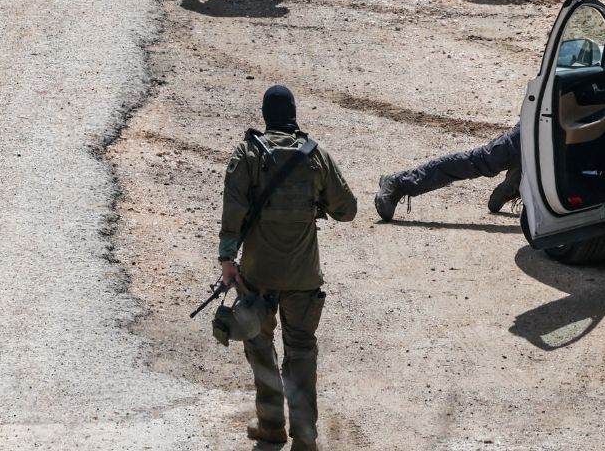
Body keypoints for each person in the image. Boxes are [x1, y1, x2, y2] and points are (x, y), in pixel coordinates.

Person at [218, 86, 357, 451]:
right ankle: (306, 436)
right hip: (303, 275)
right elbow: (348, 209)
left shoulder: (248, 153)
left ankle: (271, 427)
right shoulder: (316, 156)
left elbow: (233, 210)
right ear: (294, 113)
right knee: (301, 351)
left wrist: (227, 260)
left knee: (260, 347)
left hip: (258, 275)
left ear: (265, 116)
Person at [375, 127, 522, 221]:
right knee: (481, 161)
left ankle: (519, 180)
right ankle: (398, 183)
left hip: (542, 138)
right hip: (536, 127)